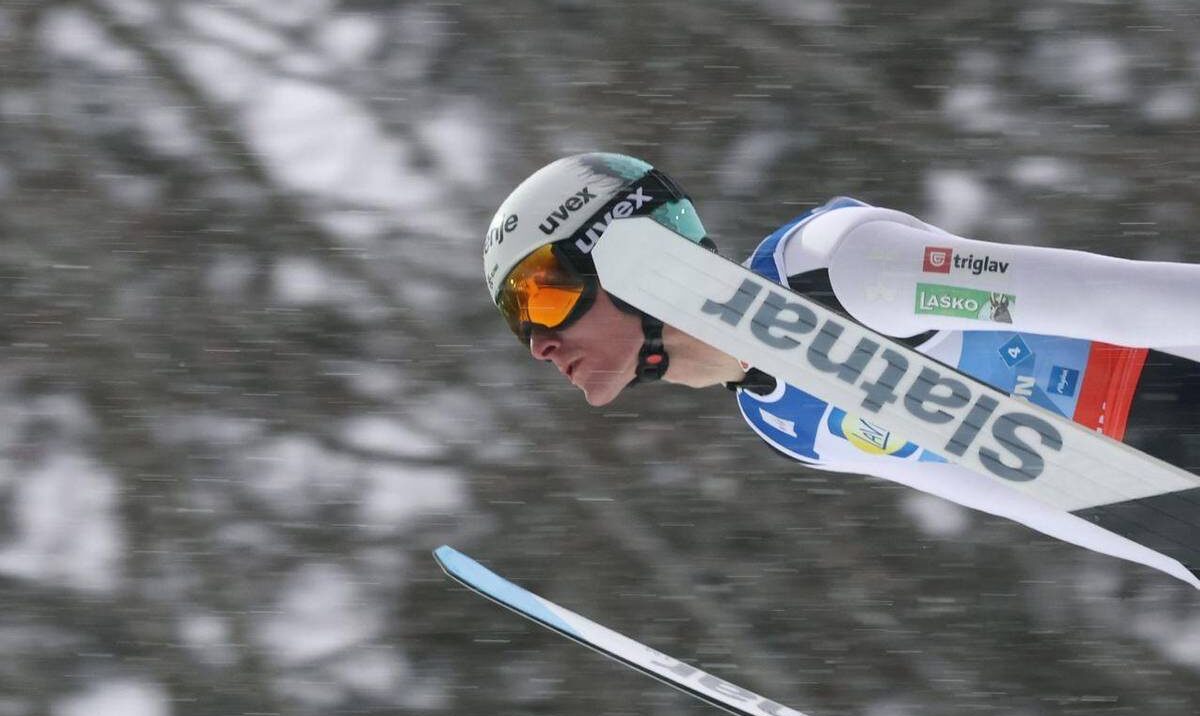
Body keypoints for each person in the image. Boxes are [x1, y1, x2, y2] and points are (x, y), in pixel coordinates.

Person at [483, 152, 1200, 587]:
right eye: (519, 325)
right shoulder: (786, 423)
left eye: (541, 297)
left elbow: (1110, 295)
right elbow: (1026, 497)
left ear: (615, 244)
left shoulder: (832, 268)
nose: (538, 343)